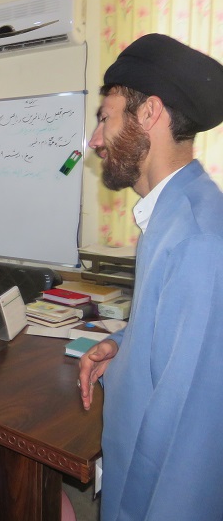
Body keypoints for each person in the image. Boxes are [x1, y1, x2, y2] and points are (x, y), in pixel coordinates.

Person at [78, 34, 223, 520]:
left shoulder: (199, 239)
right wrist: (122, 345)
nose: (95, 140)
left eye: (105, 118)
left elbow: (192, 439)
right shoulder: (172, 216)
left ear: (149, 113)